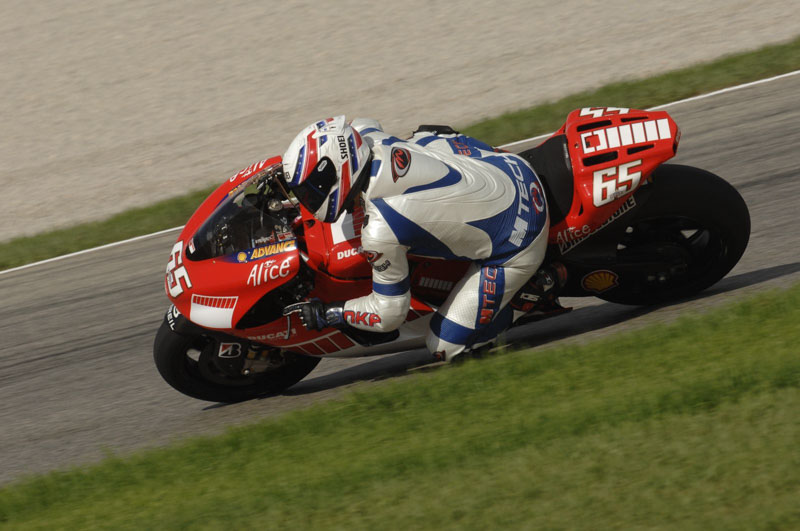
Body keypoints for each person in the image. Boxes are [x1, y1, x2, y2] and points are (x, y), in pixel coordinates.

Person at [281, 115, 550, 361]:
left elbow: (390, 313)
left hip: (520, 236)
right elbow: (365, 121)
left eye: (310, 191)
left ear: (334, 172)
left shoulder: (379, 231)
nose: (307, 199)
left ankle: (535, 289)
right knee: (426, 136)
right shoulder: (369, 139)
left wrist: (330, 312)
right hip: (512, 167)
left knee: (443, 347)